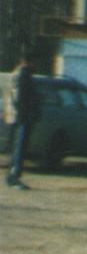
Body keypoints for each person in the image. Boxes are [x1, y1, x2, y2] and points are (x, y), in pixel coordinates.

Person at [6, 56, 41, 189]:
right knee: (20, 148)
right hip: (22, 117)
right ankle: (15, 177)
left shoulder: (16, 73)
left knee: (17, 147)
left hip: (17, 116)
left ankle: (12, 176)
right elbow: (21, 97)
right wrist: (26, 114)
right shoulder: (23, 74)